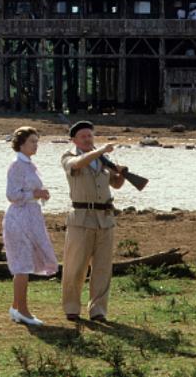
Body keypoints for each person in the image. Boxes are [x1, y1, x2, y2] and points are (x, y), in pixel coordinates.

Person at [60, 120, 126, 322]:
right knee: (75, 266)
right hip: (81, 218)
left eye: (90, 135)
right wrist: (101, 152)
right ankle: (72, 308)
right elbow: (79, 164)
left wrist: (121, 174)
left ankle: (98, 311)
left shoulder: (103, 161)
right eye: (83, 136)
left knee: (103, 268)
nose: (88, 139)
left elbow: (116, 184)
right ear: (74, 140)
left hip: (105, 219)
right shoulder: (68, 157)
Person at [3, 126, 58, 326]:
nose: (36, 145)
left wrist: (40, 193)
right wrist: (34, 194)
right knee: (22, 264)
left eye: (37, 141)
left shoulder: (30, 165)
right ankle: (23, 310)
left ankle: (17, 307)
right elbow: (12, 195)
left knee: (26, 261)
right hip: (20, 218)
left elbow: (29, 190)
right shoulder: (17, 165)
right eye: (32, 142)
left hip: (31, 216)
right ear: (22, 144)